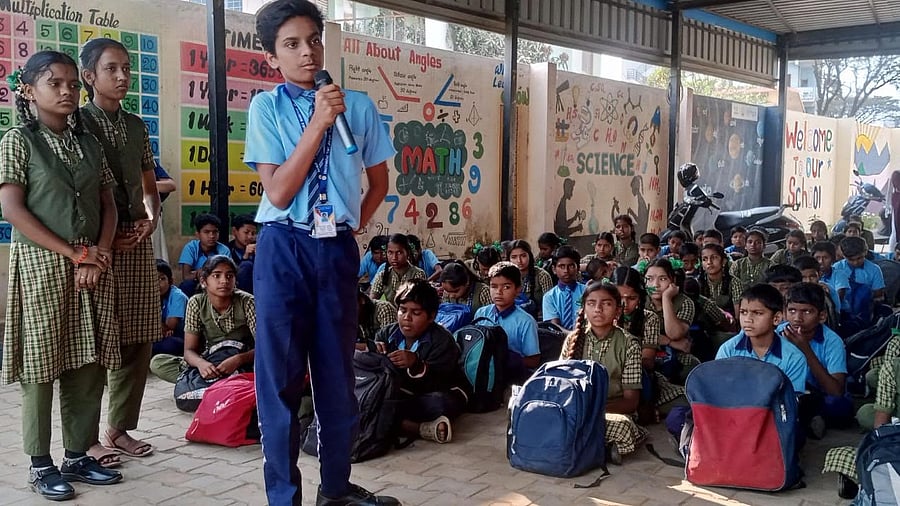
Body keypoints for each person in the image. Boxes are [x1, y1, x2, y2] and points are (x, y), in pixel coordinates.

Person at [244, 1, 397, 503]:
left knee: (336, 374)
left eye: (313, 40)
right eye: (291, 44)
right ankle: (283, 497)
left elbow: (379, 180)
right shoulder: (266, 108)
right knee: (281, 381)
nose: (307, 52)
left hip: (334, 249)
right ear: (272, 57)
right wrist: (317, 122)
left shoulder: (360, 107)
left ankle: (336, 488)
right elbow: (280, 192)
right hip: (282, 247)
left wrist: (356, 224)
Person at [0, 51, 122, 500]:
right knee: (42, 363)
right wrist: (74, 253)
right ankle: (40, 462)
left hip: (94, 263)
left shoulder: (88, 142)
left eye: (73, 84)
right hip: (43, 266)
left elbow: (107, 201)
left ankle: (77, 455)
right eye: (55, 83)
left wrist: (100, 251)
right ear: (30, 92)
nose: (68, 91)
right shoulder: (18, 140)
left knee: (88, 361)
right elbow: (12, 209)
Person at [80, 38, 164, 466]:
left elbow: (149, 185)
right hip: (95, 247)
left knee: (138, 336)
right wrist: (101, 243)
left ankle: (119, 428)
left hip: (136, 243)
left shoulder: (136, 125)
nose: (123, 76)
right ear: (89, 76)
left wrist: (152, 219)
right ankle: (87, 437)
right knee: (95, 342)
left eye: (127, 68)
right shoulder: (77, 123)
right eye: (112, 69)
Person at [559, 281, 648, 464]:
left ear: (617, 310)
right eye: (591, 304)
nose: (598, 309)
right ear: (583, 309)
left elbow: (631, 401)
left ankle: (577, 446)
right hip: (576, 410)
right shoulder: (573, 339)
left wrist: (592, 413)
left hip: (610, 411)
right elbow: (561, 385)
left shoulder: (628, 343)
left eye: (606, 304)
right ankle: (599, 449)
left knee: (621, 427)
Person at [374, 280, 467, 444]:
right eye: (402, 310)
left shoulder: (442, 340)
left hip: (440, 391)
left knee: (437, 403)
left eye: (416, 313)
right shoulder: (386, 334)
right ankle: (417, 428)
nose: (407, 318)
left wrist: (416, 364)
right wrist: (373, 352)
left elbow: (438, 381)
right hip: (400, 393)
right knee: (372, 397)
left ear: (431, 316)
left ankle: (389, 421)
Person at [148, 256, 255, 385]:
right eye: (216, 276)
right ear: (204, 281)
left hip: (243, 361)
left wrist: (239, 359)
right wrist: (202, 364)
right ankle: (216, 381)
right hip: (211, 360)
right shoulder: (196, 303)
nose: (224, 281)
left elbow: (264, 347)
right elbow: (189, 351)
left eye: (229, 276)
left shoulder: (247, 302)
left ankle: (206, 383)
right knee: (158, 363)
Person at [778, 283, 851, 437]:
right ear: (784, 313)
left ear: (822, 316)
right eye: (792, 311)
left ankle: (810, 418)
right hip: (786, 394)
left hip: (819, 395)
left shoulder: (832, 341)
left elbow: (836, 391)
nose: (797, 318)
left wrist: (806, 349)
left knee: (839, 406)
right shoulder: (777, 334)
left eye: (807, 311)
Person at [715, 284, 809, 395]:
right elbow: (719, 392)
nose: (748, 319)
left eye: (757, 313)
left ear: (776, 318)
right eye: (743, 312)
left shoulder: (793, 358)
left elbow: (790, 403)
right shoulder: (728, 350)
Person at [473, 262, 541, 384]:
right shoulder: (481, 313)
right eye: (493, 286)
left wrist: (505, 359)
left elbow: (534, 360)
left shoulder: (526, 321)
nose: (499, 292)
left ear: (518, 289)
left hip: (510, 378)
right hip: (481, 375)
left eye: (506, 287)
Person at [645, 259, 698, 384]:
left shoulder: (685, 302)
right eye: (650, 279)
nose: (655, 285)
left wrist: (666, 298)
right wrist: (670, 342)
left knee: (692, 367)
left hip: (677, 355)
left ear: (673, 280)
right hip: (644, 351)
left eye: (662, 279)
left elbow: (675, 334)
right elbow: (635, 333)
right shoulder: (640, 299)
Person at [834, 236, 885, 335]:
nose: (856, 262)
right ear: (843, 255)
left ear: (865, 252)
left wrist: (863, 299)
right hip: (841, 314)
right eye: (851, 259)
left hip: (865, 314)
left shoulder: (874, 270)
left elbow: (879, 295)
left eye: (859, 258)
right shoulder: (836, 268)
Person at [178, 212, 230, 295]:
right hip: (196, 284)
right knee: (186, 285)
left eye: (215, 232)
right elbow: (186, 276)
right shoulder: (191, 248)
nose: (212, 236)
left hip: (217, 283)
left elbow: (225, 274)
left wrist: (201, 273)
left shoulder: (223, 250)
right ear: (198, 234)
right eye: (207, 232)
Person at [370, 234, 426, 305]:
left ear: (408, 253)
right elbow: (372, 301)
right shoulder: (382, 276)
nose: (394, 257)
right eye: (390, 252)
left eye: (399, 253)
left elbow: (418, 303)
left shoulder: (418, 274)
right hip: (389, 314)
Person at [729, 228, 773, 314]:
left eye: (758, 242)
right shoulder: (738, 264)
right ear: (745, 245)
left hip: (764, 303)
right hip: (741, 304)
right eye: (750, 242)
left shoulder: (771, 265)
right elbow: (731, 285)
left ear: (764, 246)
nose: (753, 245)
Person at [542, 245, 585, 332]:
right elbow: (555, 326)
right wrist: (571, 335)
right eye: (561, 266)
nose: (566, 270)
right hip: (560, 338)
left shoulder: (587, 291)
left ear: (578, 268)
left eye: (571, 266)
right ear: (554, 269)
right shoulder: (549, 297)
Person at [507, 239, 553, 319]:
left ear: (530, 256)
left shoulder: (542, 276)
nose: (519, 261)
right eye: (514, 257)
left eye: (523, 256)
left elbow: (550, 305)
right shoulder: (505, 277)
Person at [152, 260, 188, 357]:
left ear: (171, 281)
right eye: (152, 279)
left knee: (169, 345)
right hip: (160, 335)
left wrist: (160, 327)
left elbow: (170, 326)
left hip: (180, 336)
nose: (156, 284)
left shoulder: (177, 296)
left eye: (161, 279)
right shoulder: (151, 296)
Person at [793, 255, 839, 330]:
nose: (808, 281)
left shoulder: (828, 292)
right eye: (803, 277)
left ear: (820, 274)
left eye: (812, 276)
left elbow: (834, 317)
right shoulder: (792, 294)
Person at [699, 243, 736, 316]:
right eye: (704, 259)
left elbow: (737, 315)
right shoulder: (697, 282)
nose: (709, 262)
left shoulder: (734, 282)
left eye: (714, 257)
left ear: (723, 261)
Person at [151, 160, 176, 262]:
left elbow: (171, 185)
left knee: (155, 259)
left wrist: (146, 185)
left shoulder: (150, 162)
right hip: (125, 220)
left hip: (151, 219)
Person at [228, 213, 257, 293]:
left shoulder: (259, 247)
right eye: (246, 232)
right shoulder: (227, 249)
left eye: (253, 233)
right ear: (234, 231)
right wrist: (245, 257)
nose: (250, 236)